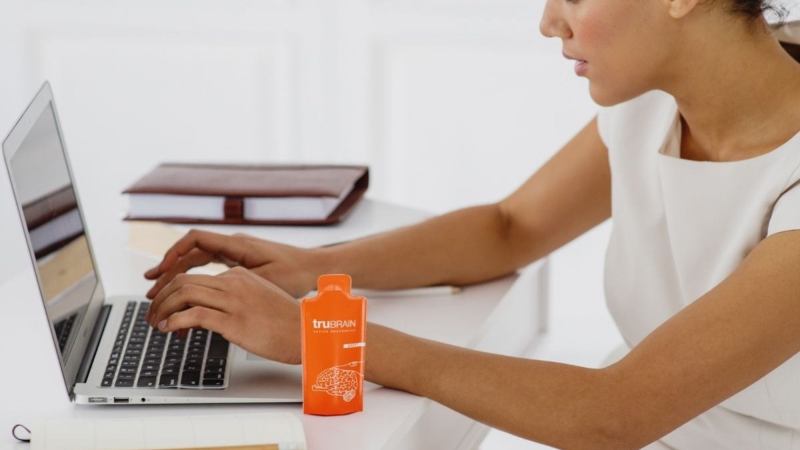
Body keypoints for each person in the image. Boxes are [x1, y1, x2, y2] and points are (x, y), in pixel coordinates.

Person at [143, 0, 800, 447]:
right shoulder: (651, 100)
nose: (548, 22)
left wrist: (321, 335)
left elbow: (613, 414)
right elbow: (511, 227)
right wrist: (310, 267)